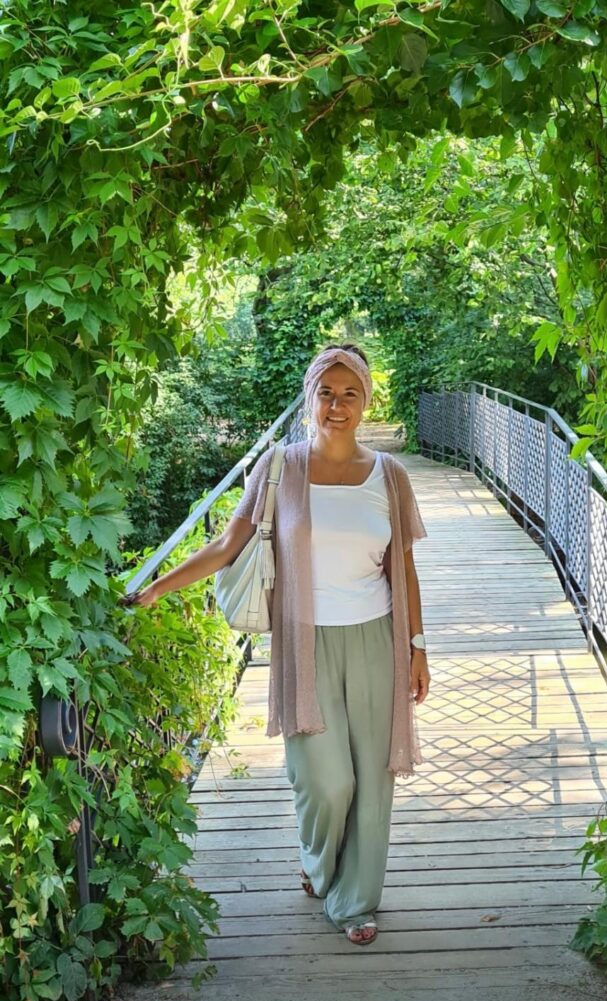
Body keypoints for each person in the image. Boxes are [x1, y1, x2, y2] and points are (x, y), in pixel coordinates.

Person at [121, 343, 431, 947]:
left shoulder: (389, 476)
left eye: (350, 394)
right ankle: (319, 865)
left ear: (366, 402)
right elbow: (228, 546)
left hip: (376, 640)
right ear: (310, 398)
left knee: (373, 779)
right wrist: (157, 588)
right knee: (327, 780)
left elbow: (405, 566)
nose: (337, 405)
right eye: (326, 392)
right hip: (304, 643)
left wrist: (418, 647)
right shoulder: (279, 467)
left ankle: (355, 902)